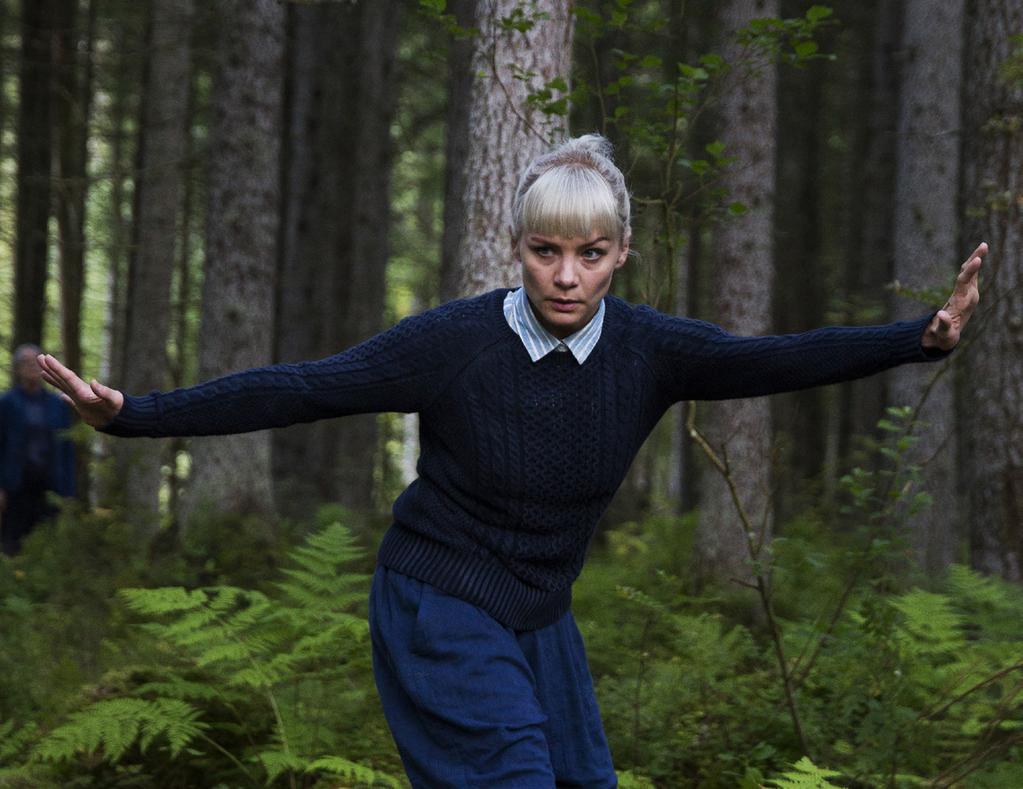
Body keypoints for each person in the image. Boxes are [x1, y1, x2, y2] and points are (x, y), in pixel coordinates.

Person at [37, 135, 984, 787]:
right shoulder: (452, 344)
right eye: (543, 251)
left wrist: (920, 338)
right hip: (440, 599)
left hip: (538, 610)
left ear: (620, 254)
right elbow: (303, 386)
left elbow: (775, 357)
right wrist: (133, 415)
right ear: (517, 250)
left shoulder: (650, 349)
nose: (565, 276)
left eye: (589, 252)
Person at [0, 344, 77, 556]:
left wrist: (69, 489)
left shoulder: (57, 404)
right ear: (17, 369)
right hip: (16, 484)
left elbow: (66, 448)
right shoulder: (6, 403)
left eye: (36, 362)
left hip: (50, 483)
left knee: (47, 539)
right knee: (12, 538)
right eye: (26, 363)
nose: (31, 367)